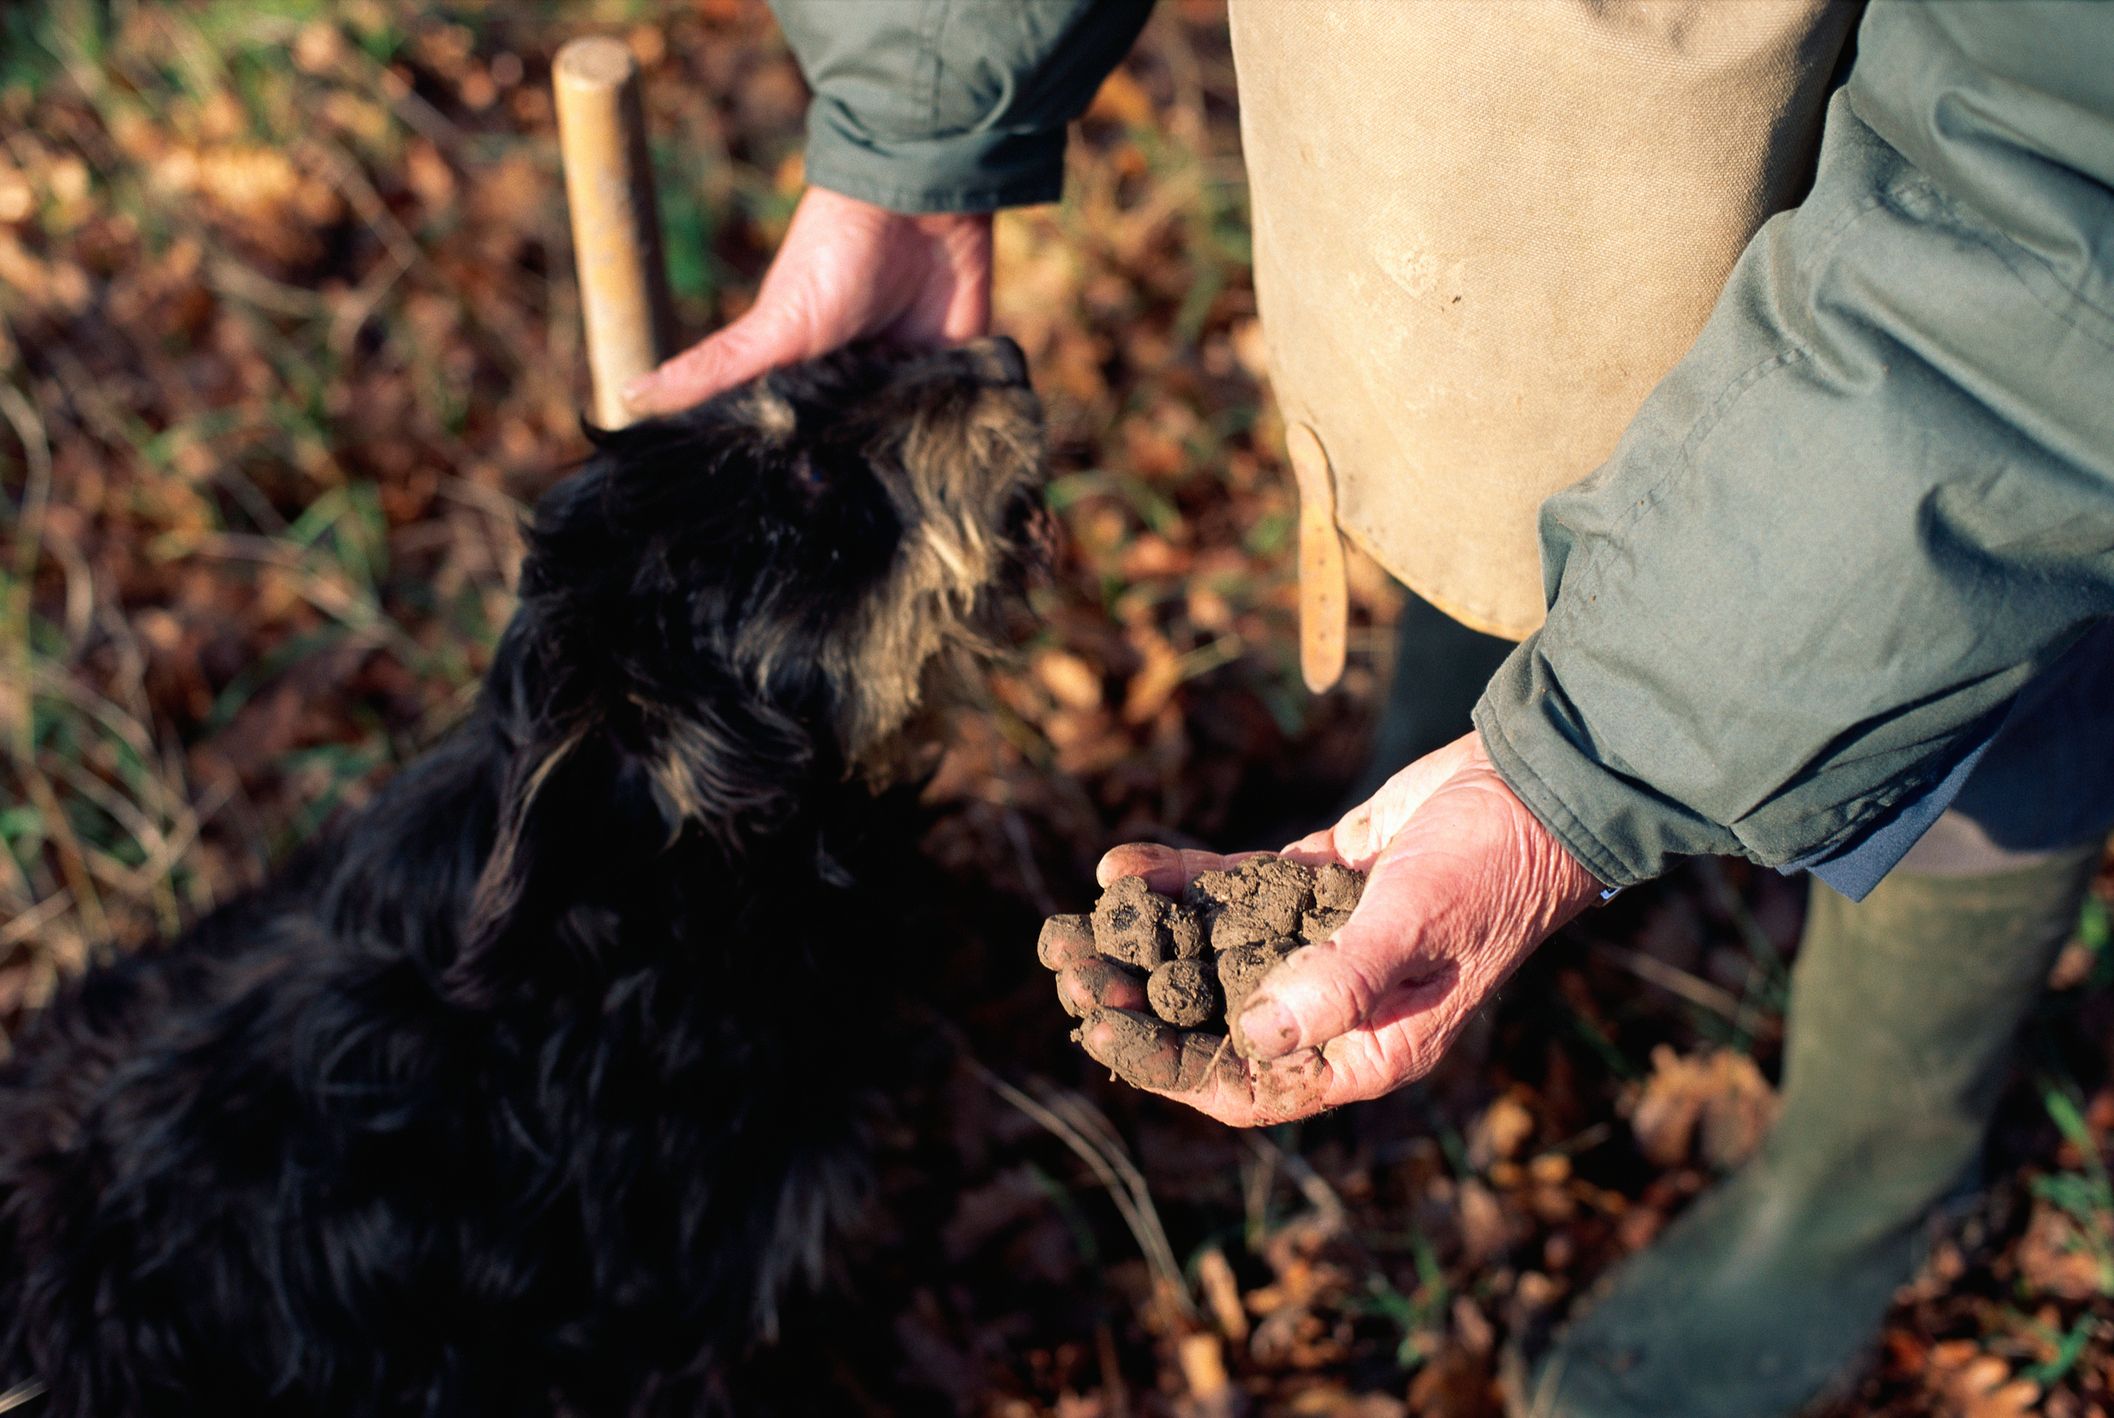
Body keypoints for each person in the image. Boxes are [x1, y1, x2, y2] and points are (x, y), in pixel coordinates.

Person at [624, 4, 2114, 1414]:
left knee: (1971, 628)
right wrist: (918, 119)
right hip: (1499, 104)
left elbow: (2044, 235)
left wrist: (1588, 770)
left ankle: (1865, 1182)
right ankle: (1451, 791)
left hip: (1986, 313)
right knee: (1505, 404)